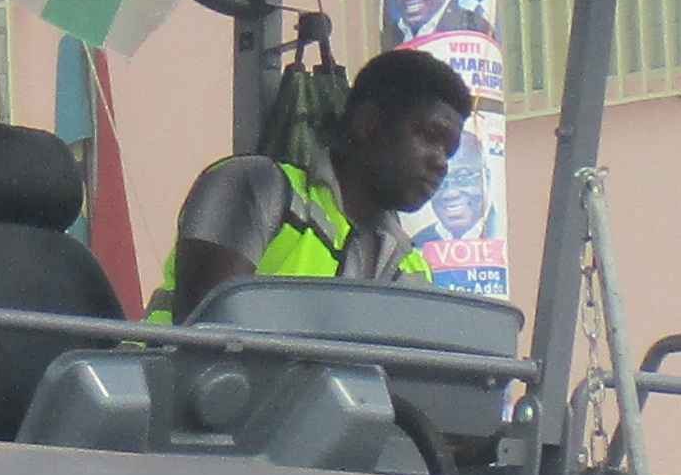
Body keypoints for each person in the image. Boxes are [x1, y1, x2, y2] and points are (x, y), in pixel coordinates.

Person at [162, 49, 478, 310]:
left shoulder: (410, 267)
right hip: (148, 386)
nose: (440, 163)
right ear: (368, 124)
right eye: (429, 136)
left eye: (448, 152)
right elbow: (205, 341)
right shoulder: (255, 187)